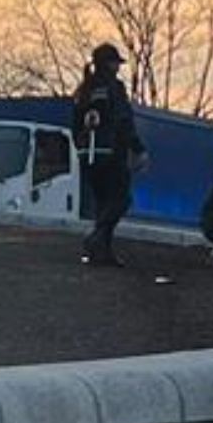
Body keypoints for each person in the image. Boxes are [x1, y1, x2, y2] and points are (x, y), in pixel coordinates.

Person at [73, 42, 147, 267]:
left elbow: (74, 123)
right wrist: (138, 148)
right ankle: (96, 237)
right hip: (111, 151)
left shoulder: (83, 89)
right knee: (121, 199)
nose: (118, 67)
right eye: (116, 62)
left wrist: (81, 148)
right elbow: (123, 120)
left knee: (102, 202)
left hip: (88, 154)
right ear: (109, 64)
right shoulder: (114, 88)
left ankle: (102, 251)